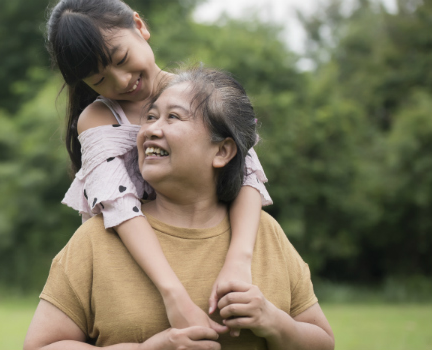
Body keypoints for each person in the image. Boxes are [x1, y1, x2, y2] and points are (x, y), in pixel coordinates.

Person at [23, 67, 334, 350]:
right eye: (150, 117)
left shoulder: (265, 234)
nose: (150, 130)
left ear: (223, 150)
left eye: (173, 117)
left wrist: (275, 322)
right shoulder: (96, 239)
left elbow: (323, 342)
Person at [46, 0, 271, 331]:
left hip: (202, 241)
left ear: (139, 26)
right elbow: (119, 205)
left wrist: (239, 262)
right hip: (128, 264)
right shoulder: (99, 118)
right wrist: (173, 294)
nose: (121, 81)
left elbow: (247, 174)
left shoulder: (200, 95)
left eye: (122, 59)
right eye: (100, 80)